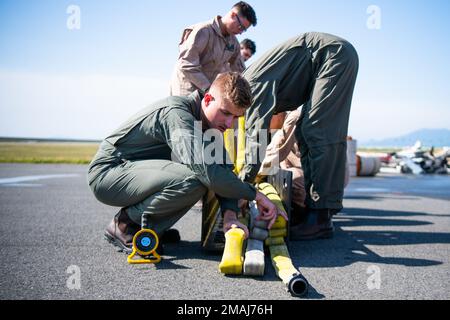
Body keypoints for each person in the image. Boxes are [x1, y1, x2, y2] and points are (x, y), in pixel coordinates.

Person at [88, 72, 286, 254]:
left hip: (134, 173)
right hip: (109, 172)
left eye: (236, 117)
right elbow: (209, 173)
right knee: (195, 178)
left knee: (202, 175)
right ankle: (125, 225)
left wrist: (230, 215)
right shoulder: (177, 113)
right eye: (226, 113)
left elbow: (225, 171)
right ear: (207, 99)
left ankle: (151, 228)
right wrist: (256, 195)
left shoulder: (210, 127)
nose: (229, 123)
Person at [241, 32, 359, 240]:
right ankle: (314, 210)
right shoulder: (245, 85)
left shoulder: (250, 85)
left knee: (315, 129)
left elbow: (256, 136)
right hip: (325, 60)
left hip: (333, 56)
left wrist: (244, 186)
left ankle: (320, 218)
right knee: (307, 129)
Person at [170, 1, 257, 96]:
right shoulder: (203, 31)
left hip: (207, 94)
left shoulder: (234, 43)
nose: (240, 32)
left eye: (244, 30)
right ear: (232, 14)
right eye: (240, 27)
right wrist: (209, 89)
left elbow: (239, 71)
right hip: (186, 91)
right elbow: (186, 64)